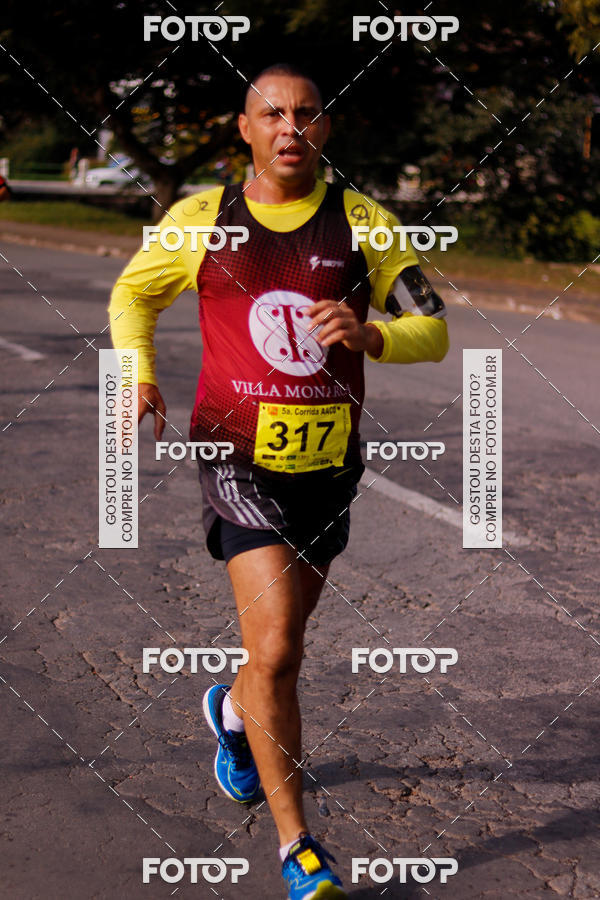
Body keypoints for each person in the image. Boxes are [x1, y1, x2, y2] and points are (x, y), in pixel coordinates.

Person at [110, 63, 449, 900]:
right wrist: (137, 373)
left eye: (306, 114)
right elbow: (133, 293)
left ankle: (232, 712)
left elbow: (432, 329)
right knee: (282, 649)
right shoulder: (201, 220)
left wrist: (374, 340)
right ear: (246, 129)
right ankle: (300, 847)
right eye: (274, 115)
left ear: (324, 129)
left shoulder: (365, 223)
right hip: (236, 458)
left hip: (329, 466)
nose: (290, 127)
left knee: (273, 654)